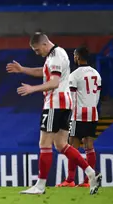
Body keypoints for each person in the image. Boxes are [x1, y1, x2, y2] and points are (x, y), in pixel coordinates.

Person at [6, 32, 101, 195]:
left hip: (55, 104)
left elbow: (54, 82)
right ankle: (92, 174)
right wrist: (22, 69)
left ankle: (40, 186)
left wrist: (32, 89)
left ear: (44, 44)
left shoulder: (56, 56)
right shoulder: (56, 55)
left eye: (37, 50)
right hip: (65, 105)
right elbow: (43, 72)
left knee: (44, 144)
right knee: (61, 145)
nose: (37, 53)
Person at [56, 46, 102, 188]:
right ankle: (88, 182)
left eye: (75, 55)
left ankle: (70, 180)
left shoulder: (74, 75)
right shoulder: (96, 74)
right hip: (93, 113)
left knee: (72, 146)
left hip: (78, 114)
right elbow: (97, 96)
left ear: (77, 57)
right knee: (89, 146)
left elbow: (73, 98)